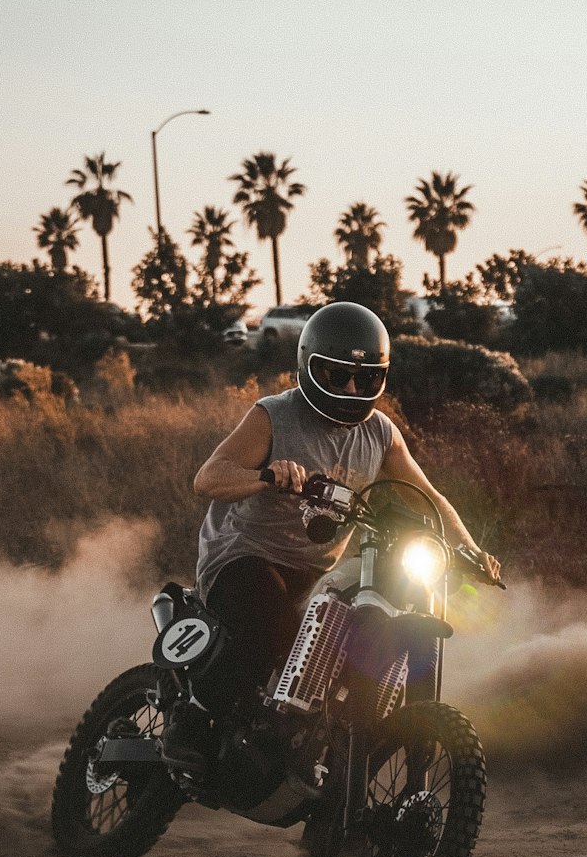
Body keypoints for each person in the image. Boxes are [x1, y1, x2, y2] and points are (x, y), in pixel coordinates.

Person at [161, 301, 501, 770]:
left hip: (313, 571)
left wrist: (469, 548)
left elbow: (429, 498)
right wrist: (265, 476)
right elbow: (207, 478)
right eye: (337, 375)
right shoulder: (274, 416)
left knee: (353, 647)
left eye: (365, 379)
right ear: (307, 365)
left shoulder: (381, 433)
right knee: (269, 623)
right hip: (243, 555)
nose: (351, 388)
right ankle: (192, 719)